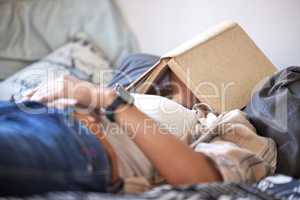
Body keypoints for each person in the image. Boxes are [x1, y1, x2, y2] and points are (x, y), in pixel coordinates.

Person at [0, 54, 277, 196]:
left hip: (80, 141)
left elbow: (202, 180)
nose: (172, 75)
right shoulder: (132, 87)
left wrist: (108, 99)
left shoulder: (231, 126)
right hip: (30, 111)